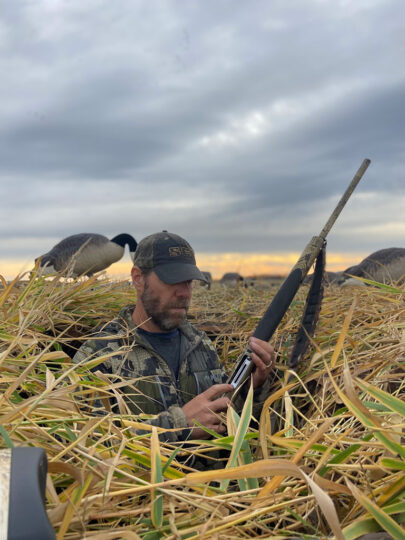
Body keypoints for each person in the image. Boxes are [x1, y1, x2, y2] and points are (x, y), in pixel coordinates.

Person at [73, 231, 275, 443]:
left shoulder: (202, 344)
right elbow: (81, 443)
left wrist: (253, 386)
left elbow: (226, 419)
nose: (184, 293)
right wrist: (177, 426)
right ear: (138, 279)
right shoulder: (100, 354)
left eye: (188, 282)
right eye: (173, 280)